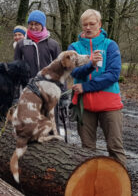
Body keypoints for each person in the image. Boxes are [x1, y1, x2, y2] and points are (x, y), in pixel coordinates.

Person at [68, 9, 126, 166]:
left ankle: (120, 187)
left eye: (92, 24)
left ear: (99, 25)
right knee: (87, 150)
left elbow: (113, 75)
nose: (88, 27)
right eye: (85, 24)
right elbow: (73, 71)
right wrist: (90, 65)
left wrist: (86, 86)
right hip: (84, 105)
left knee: (115, 147)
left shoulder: (110, 45)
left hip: (110, 105)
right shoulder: (74, 47)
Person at [14, 10, 61, 79]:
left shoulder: (53, 44)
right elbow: (16, 67)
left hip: (48, 85)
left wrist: (62, 88)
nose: (33, 27)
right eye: (31, 24)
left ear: (42, 25)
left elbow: (60, 69)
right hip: (28, 86)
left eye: (36, 24)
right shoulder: (21, 44)